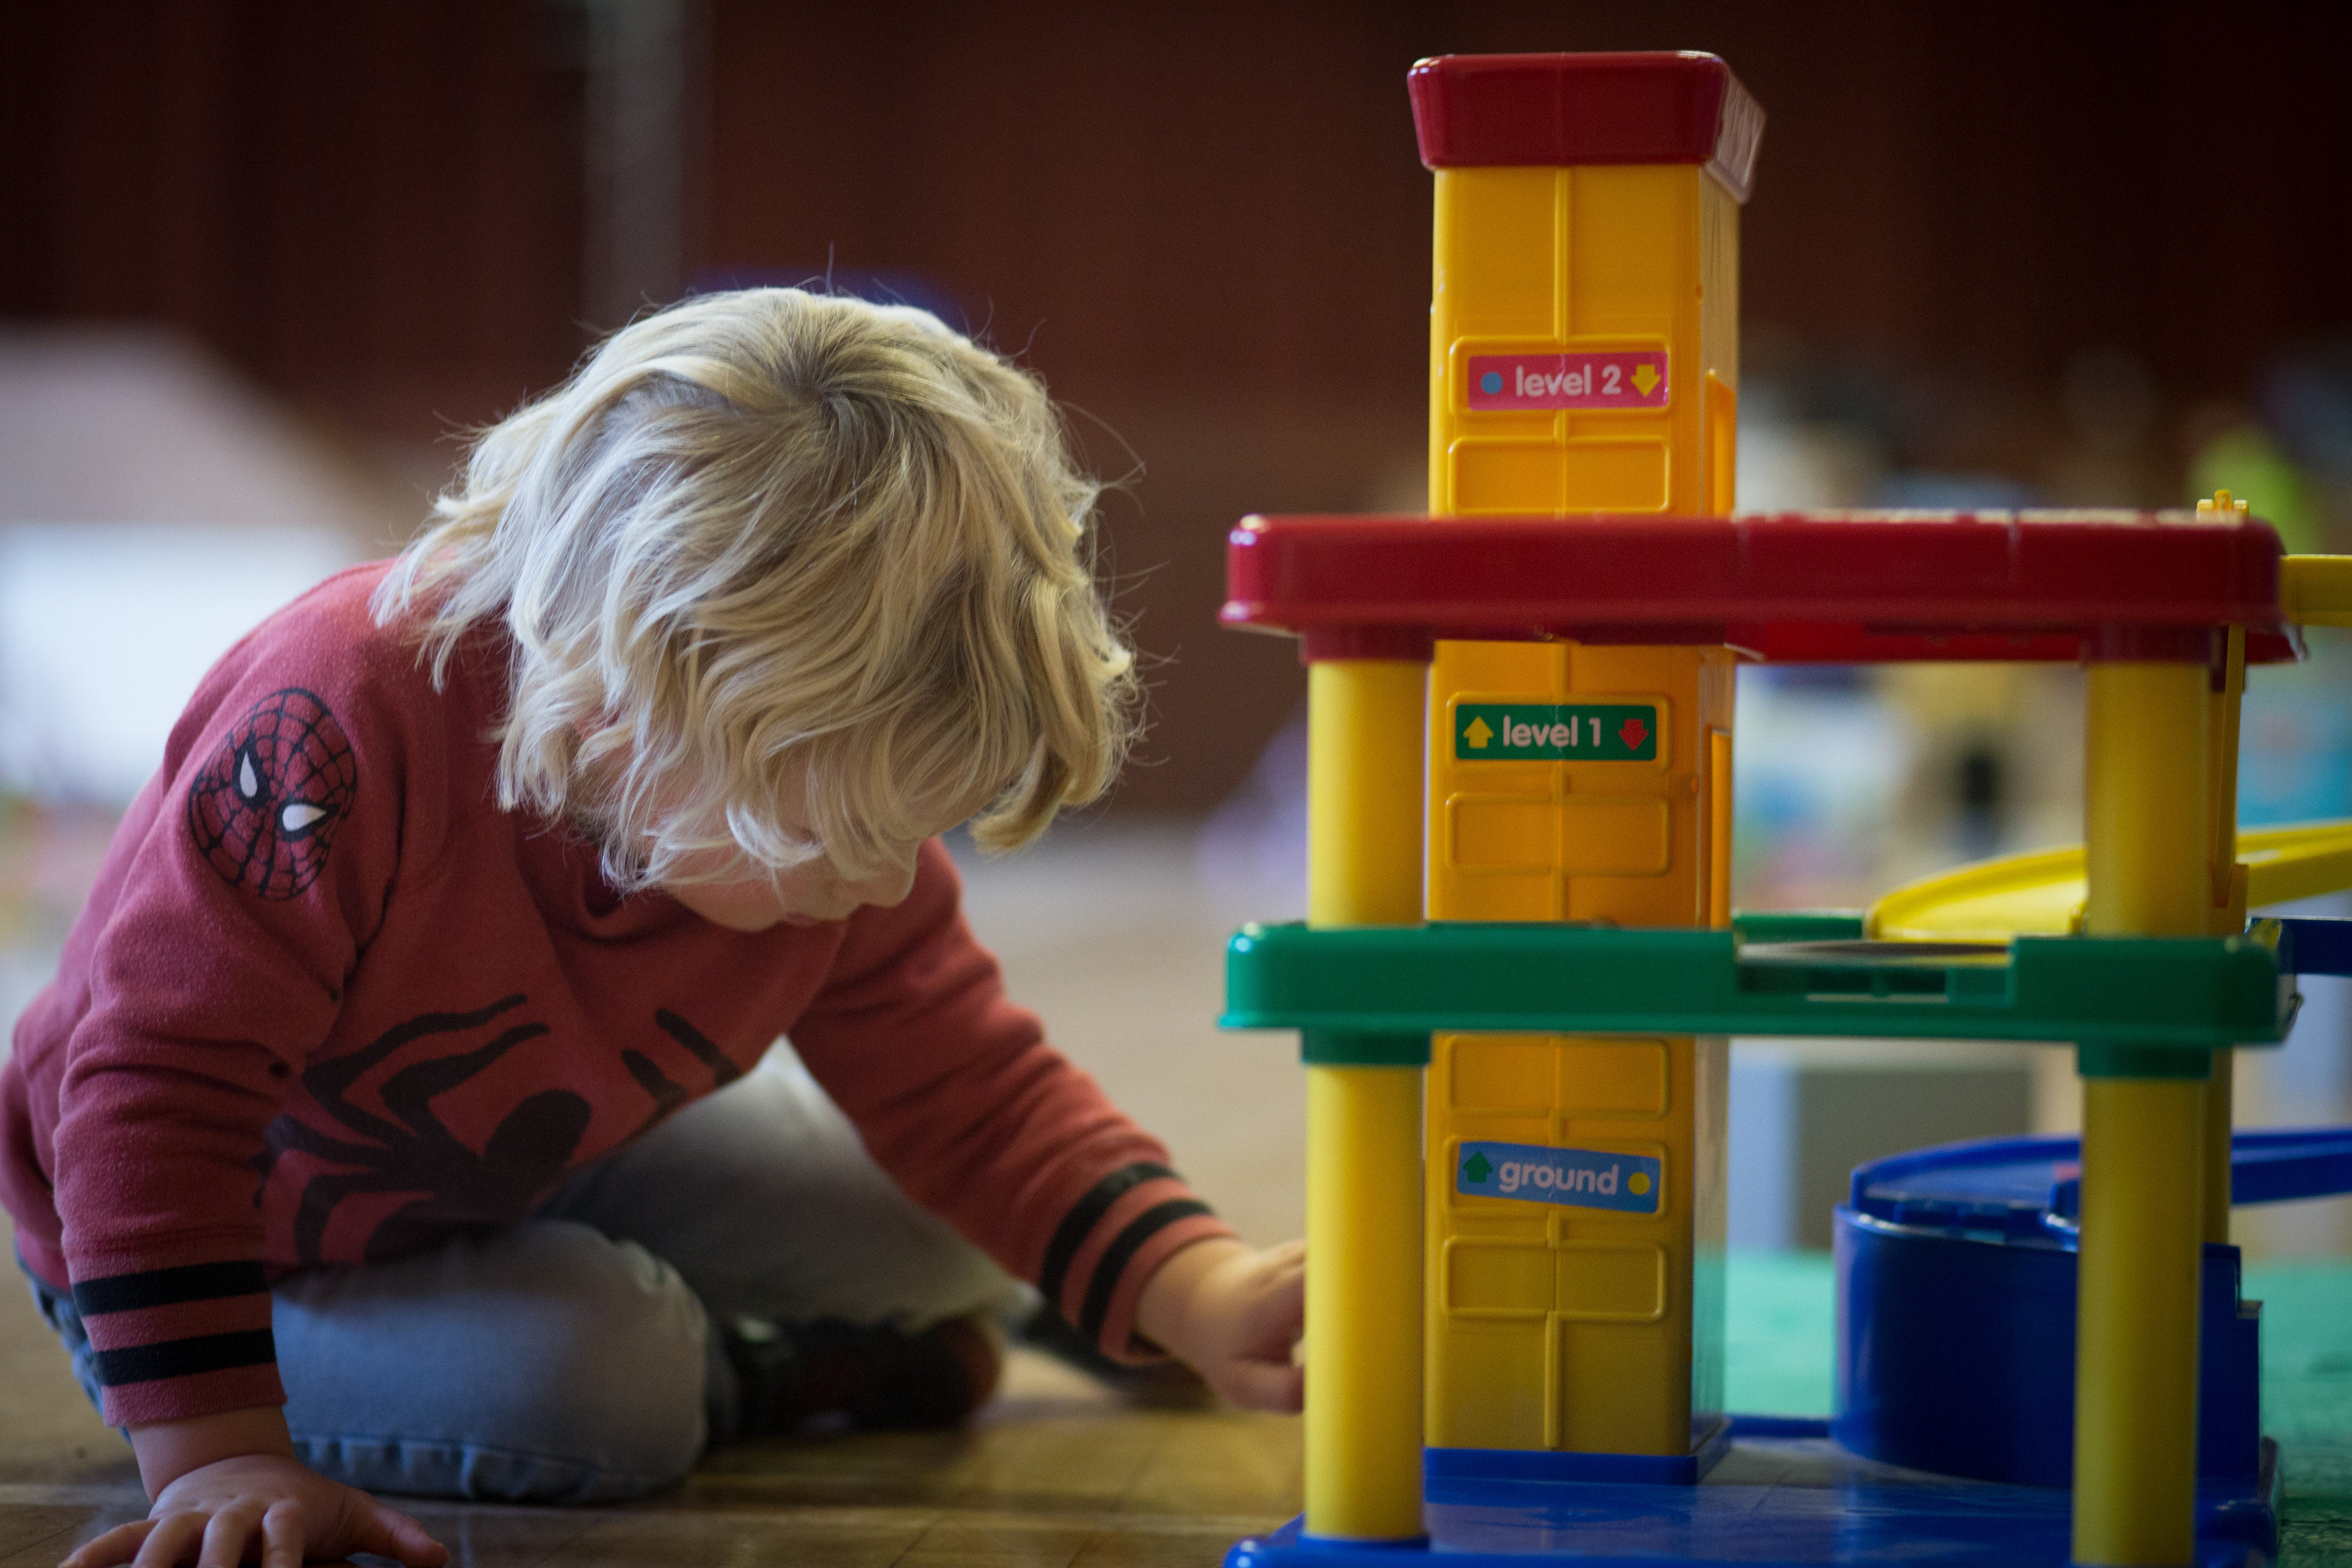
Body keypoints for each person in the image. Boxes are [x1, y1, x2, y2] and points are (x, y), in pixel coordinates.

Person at [0, 289, 1306, 1568]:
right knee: (595, 1380)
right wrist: (218, 1454)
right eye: (828, 848)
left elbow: (975, 1093)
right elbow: (152, 1101)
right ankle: (756, 1374)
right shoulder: (335, 722)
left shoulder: (806, 794)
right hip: (208, 1251)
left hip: (523, 1164)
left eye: (905, 837)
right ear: (619, 714)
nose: (870, 889)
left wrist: (1205, 1289)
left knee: (938, 1231)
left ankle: (1056, 1304)